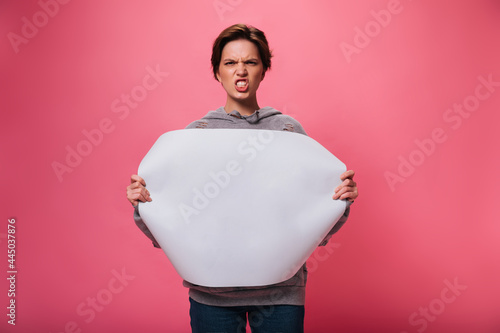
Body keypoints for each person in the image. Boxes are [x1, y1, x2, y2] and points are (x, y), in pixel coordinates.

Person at [126, 23, 358, 333]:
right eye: (230, 63)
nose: (241, 71)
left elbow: (315, 224)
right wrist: (143, 205)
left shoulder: (288, 132)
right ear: (217, 72)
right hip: (212, 294)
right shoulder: (196, 136)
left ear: (264, 69)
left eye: (250, 62)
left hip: (281, 293)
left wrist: (340, 199)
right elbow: (173, 230)